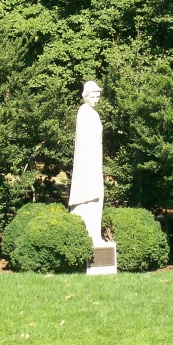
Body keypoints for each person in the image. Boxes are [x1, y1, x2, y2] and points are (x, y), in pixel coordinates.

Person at [69, 81, 105, 244]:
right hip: (87, 164)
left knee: (96, 199)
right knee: (89, 197)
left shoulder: (93, 114)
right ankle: (87, 236)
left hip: (95, 161)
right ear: (86, 96)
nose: (96, 100)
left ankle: (95, 236)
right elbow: (85, 142)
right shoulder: (84, 112)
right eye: (93, 96)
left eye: (98, 96)